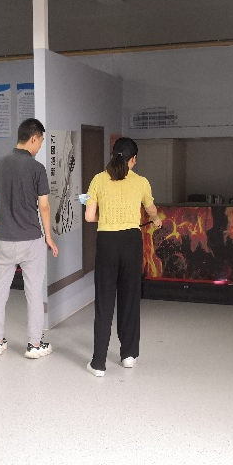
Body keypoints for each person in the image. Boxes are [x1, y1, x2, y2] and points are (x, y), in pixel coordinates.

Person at [84, 137, 162, 377]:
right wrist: (156, 219)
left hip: (106, 242)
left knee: (104, 301)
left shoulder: (98, 179)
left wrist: (107, 217)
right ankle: (128, 355)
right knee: (130, 297)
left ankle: (98, 363)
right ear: (133, 159)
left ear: (113, 154)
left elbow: (89, 217)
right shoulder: (141, 182)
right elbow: (150, 209)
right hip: (131, 241)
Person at [0, 118, 59, 359]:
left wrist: (0, 221)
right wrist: (49, 237)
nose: (40, 147)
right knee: (34, 293)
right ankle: (34, 345)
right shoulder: (37, 169)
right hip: (30, 240)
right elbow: (44, 207)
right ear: (33, 138)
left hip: (4, 239)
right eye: (41, 141)